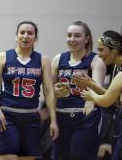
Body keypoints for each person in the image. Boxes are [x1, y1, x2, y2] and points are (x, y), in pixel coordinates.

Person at [0, 21, 59, 160]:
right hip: (7, 116)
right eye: (22, 32)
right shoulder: (4, 57)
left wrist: (53, 120)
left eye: (30, 33)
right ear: (16, 36)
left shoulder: (43, 60)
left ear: (35, 38)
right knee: (8, 157)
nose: (25, 36)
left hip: (31, 118)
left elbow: (48, 91)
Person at [51, 21, 106, 160]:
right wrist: (55, 91)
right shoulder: (58, 59)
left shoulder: (95, 60)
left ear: (86, 38)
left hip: (86, 116)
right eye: (69, 35)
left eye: (77, 36)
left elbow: (97, 89)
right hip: (62, 115)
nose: (72, 39)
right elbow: (49, 90)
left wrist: (91, 98)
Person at [73, 30, 122, 160]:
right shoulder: (117, 67)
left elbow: (106, 101)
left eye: (102, 50)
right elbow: (116, 99)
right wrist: (92, 84)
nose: (99, 55)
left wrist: (91, 95)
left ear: (115, 50)